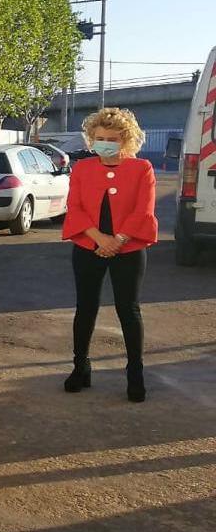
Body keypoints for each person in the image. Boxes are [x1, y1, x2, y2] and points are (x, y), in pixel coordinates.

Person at [60, 107, 157, 402]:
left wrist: (118, 240)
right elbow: (74, 207)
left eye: (112, 138)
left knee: (128, 309)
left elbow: (143, 210)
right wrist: (99, 238)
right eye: (99, 137)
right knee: (85, 307)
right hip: (88, 246)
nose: (104, 143)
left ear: (125, 141)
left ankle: (135, 374)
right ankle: (80, 367)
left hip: (128, 248)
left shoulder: (142, 169)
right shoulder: (82, 169)